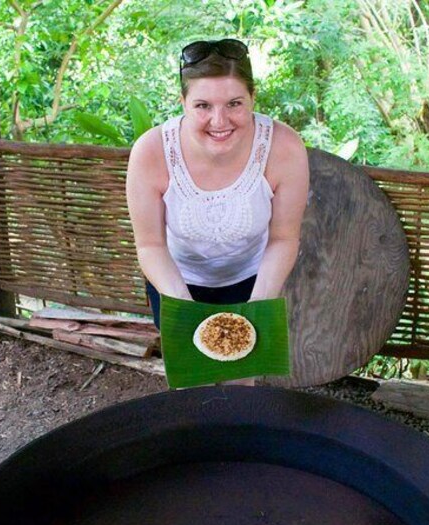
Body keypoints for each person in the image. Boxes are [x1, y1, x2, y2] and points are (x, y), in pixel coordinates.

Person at [126, 38, 309, 346]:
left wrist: (256, 310)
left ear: (253, 97)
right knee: (190, 382)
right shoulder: (150, 151)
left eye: (234, 103)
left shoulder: (285, 147)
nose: (219, 121)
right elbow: (150, 246)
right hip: (175, 279)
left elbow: (284, 238)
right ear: (183, 102)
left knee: (243, 381)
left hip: (254, 278)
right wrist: (186, 312)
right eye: (203, 106)